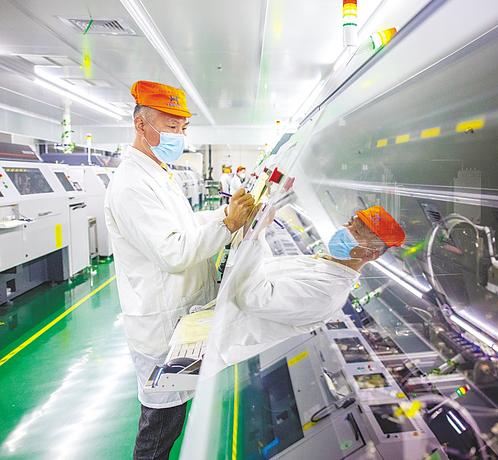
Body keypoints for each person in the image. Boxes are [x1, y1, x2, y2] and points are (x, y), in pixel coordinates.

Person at [104, 80, 255, 460]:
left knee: (171, 417)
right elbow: (173, 251)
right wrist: (227, 225)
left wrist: (223, 214)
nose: (180, 136)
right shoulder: (132, 184)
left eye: (183, 127)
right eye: (171, 126)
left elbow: (184, 226)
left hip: (180, 315)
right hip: (161, 323)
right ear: (141, 125)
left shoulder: (158, 173)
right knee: (160, 425)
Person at [206, 205, 406, 372]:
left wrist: (254, 236)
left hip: (213, 343)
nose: (345, 230)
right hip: (211, 321)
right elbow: (265, 268)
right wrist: (260, 229)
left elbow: (254, 297)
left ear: (370, 254)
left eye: (356, 232)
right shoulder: (323, 263)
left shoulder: (328, 294)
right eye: (349, 223)